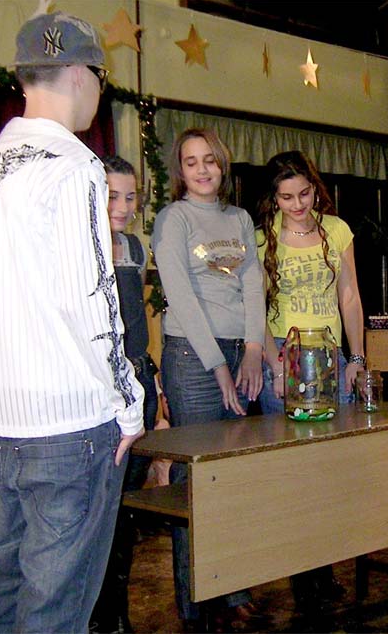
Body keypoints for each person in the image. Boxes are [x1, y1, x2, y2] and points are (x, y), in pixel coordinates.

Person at [0, 11, 145, 633]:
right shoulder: (74, 165)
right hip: (69, 421)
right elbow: (93, 295)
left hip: (0, 419)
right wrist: (127, 399)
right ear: (82, 74)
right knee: (54, 607)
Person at [151, 128, 266, 631]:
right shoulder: (174, 218)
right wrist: (216, 364)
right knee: (195, 481)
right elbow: (179, 293)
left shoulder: (238, 218)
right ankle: (196, 601)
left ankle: (233, 588)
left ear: (223, 164)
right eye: (191, 162)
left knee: (233, 477)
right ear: (181, 170)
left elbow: (253, 284)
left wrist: (254, 348)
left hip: (241, 353)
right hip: (192, 357)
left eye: (210, 160)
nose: (202, 170)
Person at [255, 150, 365, 616]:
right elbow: (255, 308)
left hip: (329, 354)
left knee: (329, 467)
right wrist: (274, 365)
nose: (298, 204)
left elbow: (350, 296)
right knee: (293, 471)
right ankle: (303, 575)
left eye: (304, 194)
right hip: (286, 352)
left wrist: (356, 358)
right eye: (287, 197)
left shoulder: (336, 230)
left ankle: (324, 566)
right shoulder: (262, 239)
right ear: (273, 199)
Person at [90, 156, 158, 634]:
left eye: (130, 196)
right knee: (101, 509)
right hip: (104, 394)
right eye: (112, 195)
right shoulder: (79, 246)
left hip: (141, 384)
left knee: (126, 508)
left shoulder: (134, 247)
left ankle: (117, 612)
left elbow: (139, 323)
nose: (123, 206)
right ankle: (97, 614)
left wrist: (153, 384)